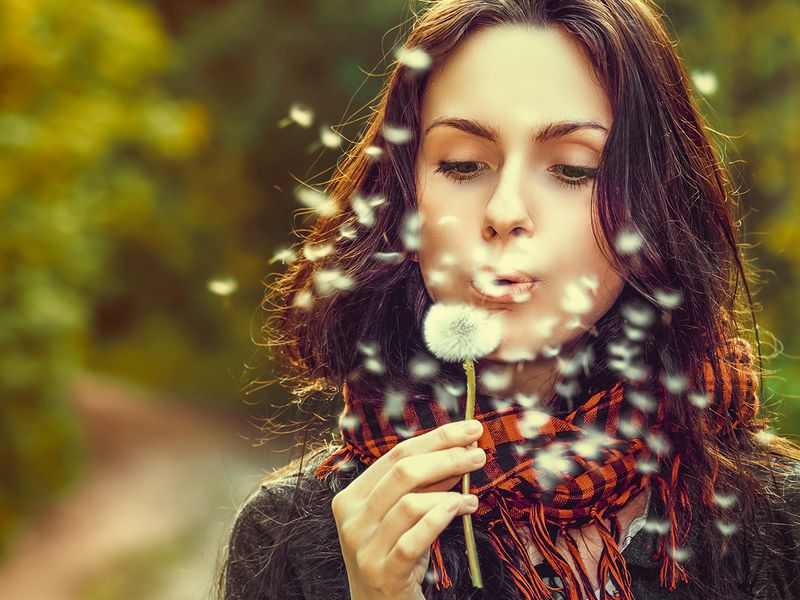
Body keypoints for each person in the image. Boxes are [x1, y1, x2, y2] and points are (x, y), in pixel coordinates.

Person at [217, 0, 800, 598]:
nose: (504, 212)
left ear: (654, 204)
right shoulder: (295, 538)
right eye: (464, 164)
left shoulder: (779, 524)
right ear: (405, 194)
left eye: (573, 169)